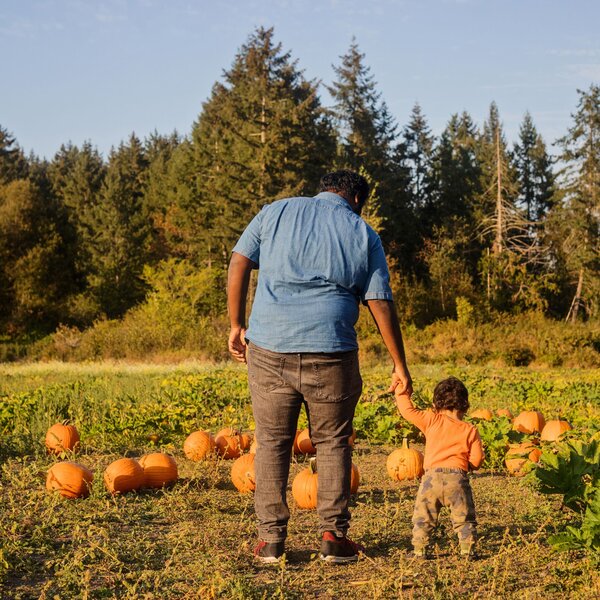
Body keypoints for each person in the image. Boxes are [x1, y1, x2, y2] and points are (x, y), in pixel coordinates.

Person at [227, 170, 412, 564]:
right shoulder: (363, 233)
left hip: (270, 347)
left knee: (273, 442)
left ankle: (271, 541)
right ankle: (333, 536)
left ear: (323, 189)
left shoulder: (274, 212)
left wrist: (236, 323)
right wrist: (399, 363)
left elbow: (239, 260)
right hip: (333, 352)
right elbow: (379, 301)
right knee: (332, 442)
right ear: (357, 200)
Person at [395, 377, 484, 559]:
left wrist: (401, 391)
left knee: (423, 517)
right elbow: (477, 460)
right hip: (457, 479)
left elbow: (407, 410)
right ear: (465, 406)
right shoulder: (470, 429)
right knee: (464, 517)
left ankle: (419, 550)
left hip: (431, 479)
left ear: (435, 404)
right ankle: (467, 550)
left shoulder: (431, 419)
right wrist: (466, 464)